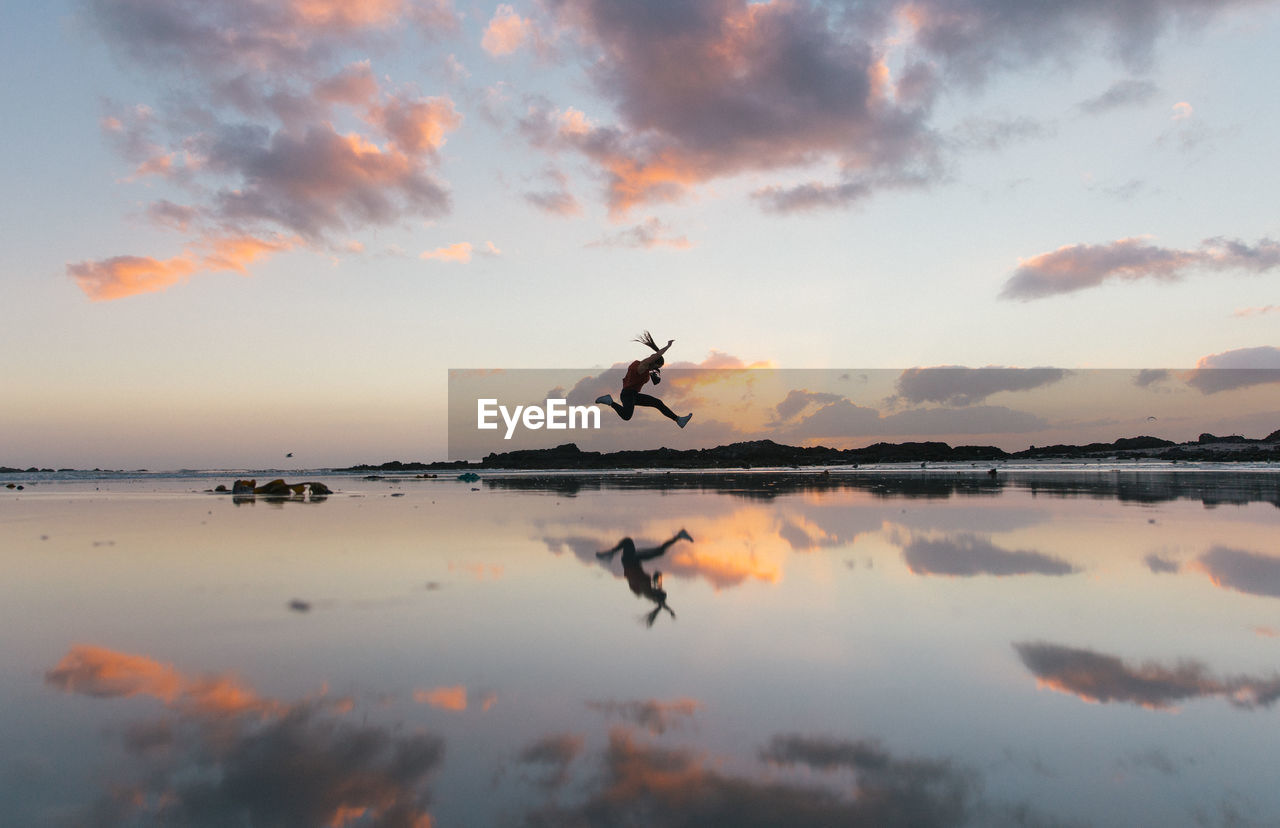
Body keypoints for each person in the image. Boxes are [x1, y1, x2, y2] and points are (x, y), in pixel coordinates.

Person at [595, 331, 693, 428]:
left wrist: (655, 376)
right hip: (627, 395)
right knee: (626, 416)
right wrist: (668, 346)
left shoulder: (647, 370)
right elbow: (656, 356)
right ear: (653, 363)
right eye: (657, 367)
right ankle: (610, 401)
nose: (655, 369)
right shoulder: (641, 366)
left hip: (634, 395)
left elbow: (651, 373)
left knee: (657, 403)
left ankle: (678, 420)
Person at [597, 529, 692, 626]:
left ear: (657, 594)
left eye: (660, 591)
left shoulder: (646, 590)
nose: (660, 589)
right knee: (658, 550)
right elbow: (660, 601)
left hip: (631, 561)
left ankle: (610, 553)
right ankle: (679, 536)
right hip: (631, 560)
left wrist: (667, 609)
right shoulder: (649, 590)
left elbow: (659, 601)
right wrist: (669, 611)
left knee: (630, 542)